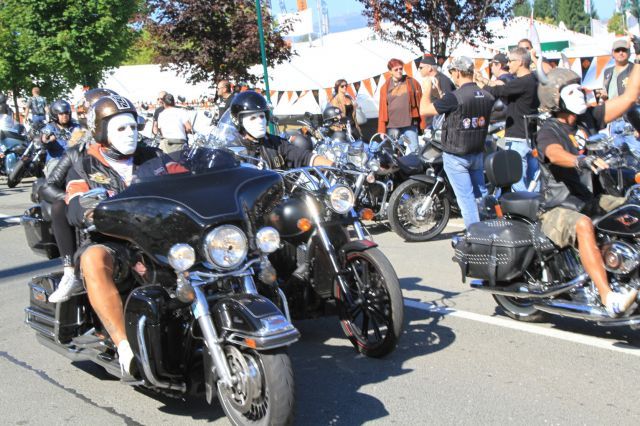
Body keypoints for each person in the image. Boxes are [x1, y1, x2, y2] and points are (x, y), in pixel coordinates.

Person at [60, 95, 187, 374]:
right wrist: (89, 209)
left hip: (160, 238)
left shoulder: (153, 156)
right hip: (113, 242)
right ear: (101, 132)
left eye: (132, 127)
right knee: (93, 258)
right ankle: (124, 345)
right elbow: (75, 204)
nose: (130, 133)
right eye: (120, 128)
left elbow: (186, 176)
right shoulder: (85, 165)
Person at [535, 35, 640, 316]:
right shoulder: (548, 130)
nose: (580, 92)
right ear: (557, 98)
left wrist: (639, 58)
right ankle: (609, 298)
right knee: (583, 225)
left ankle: (625, 268)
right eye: (572, 90)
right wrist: (579, 160)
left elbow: (629, 97)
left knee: (634, 208)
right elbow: (554, 153)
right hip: (559, 207)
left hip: (590, 197)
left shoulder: (587, 119)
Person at [44, 89, 121, 304]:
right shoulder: (77, 151)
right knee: (60, 206)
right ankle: (70, 271)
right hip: (90, 206)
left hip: (124, 209)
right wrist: (75, 198)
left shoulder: (134, 150)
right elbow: (49, 185)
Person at [419, 56, 495, 228]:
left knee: (466, 200)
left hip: (456, 155)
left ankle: (475, 236)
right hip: (476, 152)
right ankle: (489, 230)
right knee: (481, 195)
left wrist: (427, 89)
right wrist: (441, 93)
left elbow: (424, 110)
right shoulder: (486, 96)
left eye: (452, 71)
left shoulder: (455, 97)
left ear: (458, 72)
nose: (452, 75)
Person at [476, 47, 540, 192]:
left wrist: (481, 85)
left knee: (518, 179)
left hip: (518, 137)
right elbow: (505, 90)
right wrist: (483, 80)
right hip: (529, 136)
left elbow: (499, 91)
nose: (508, 64)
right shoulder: (532, 80)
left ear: (520, 62)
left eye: (511, 61)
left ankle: (524, 204)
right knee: (533, 178)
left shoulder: (523, 81)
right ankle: (536, 202)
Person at [230, 91, 334, 169]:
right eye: (253, 118)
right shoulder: (233, 150)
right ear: (239, 121)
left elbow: (304, 157)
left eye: (262, 116)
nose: (260, 121)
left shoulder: (275, 143)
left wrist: (334, 166)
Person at [378, 58, 425, 154]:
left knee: (415, 150)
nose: (399, 71)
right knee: (396, 152)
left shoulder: (412, 82)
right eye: (396, 69)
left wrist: (424, 123)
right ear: (390, 71)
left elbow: (421, 103)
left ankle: (416, 164)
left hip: (409, 124)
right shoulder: (385, 87)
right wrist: (381, 130)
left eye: (400, 68)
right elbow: (382, 110)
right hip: (393, 126)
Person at [42, 100, 80, 176]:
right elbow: (44, 138)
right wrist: (47, 140)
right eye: (61, 114)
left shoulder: (76, 127)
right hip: (56, 160)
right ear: (55, 115)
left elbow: (85, 134)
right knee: (54, 170)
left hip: (74, 160)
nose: (64, 115)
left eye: (66, 113)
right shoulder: (50, 127)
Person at [418, 54, 456, 128]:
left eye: (421, 67)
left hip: (439, 125)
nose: (419, 70)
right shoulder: (432, 80)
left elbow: (449, 103)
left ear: (429, 68)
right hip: (432, 122)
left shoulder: (443, 80)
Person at [156, 93, 192, 161]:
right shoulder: (182, 112)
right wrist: (185, 131)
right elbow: (189, 128)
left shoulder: (161, 114)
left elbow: (161, 131)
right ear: (174, 102)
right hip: (180, 143)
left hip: (167, 144)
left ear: (164, 103)